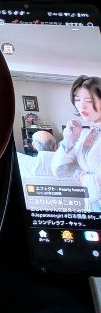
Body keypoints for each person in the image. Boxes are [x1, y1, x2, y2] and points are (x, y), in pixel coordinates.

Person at [52, 75, 101, 211]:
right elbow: (59, 170)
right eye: (78, 100)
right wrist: (70, 138)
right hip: (92, 209)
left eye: (89, 100)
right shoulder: (88, 134)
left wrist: (81, 175)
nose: (82, 106)